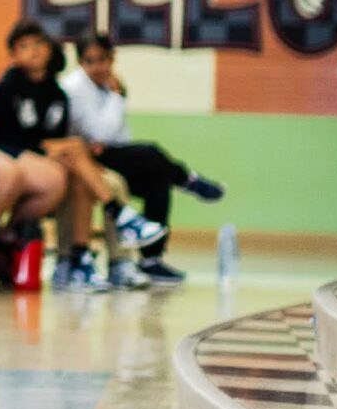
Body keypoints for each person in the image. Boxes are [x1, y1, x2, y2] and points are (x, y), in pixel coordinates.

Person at [0, 20, 161, 292]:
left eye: (38, 44)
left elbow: (56, 134)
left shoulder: (56, 92)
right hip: (19, 158)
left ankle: (85, 262)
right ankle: (119, 216)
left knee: (95, 180)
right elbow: (7, 136)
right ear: (13, 55)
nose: (33, 51)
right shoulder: (7, 88)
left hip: (51, 160)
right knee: (76, 150)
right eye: (24, 46)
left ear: (49, 49)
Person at [62, 32, 224, 286]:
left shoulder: (107, 85)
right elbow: (101, 134)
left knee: (157, 182)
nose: (97, 67)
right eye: (89, 61)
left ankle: (151, 260)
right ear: (80, 62)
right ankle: (186, 179)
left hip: (108, 153)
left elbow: (118, 135)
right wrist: (117, 97)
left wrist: (114, 96)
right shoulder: (76, 88)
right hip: (84, 162)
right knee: (150, 153)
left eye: (102, 59)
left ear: (112, 58)